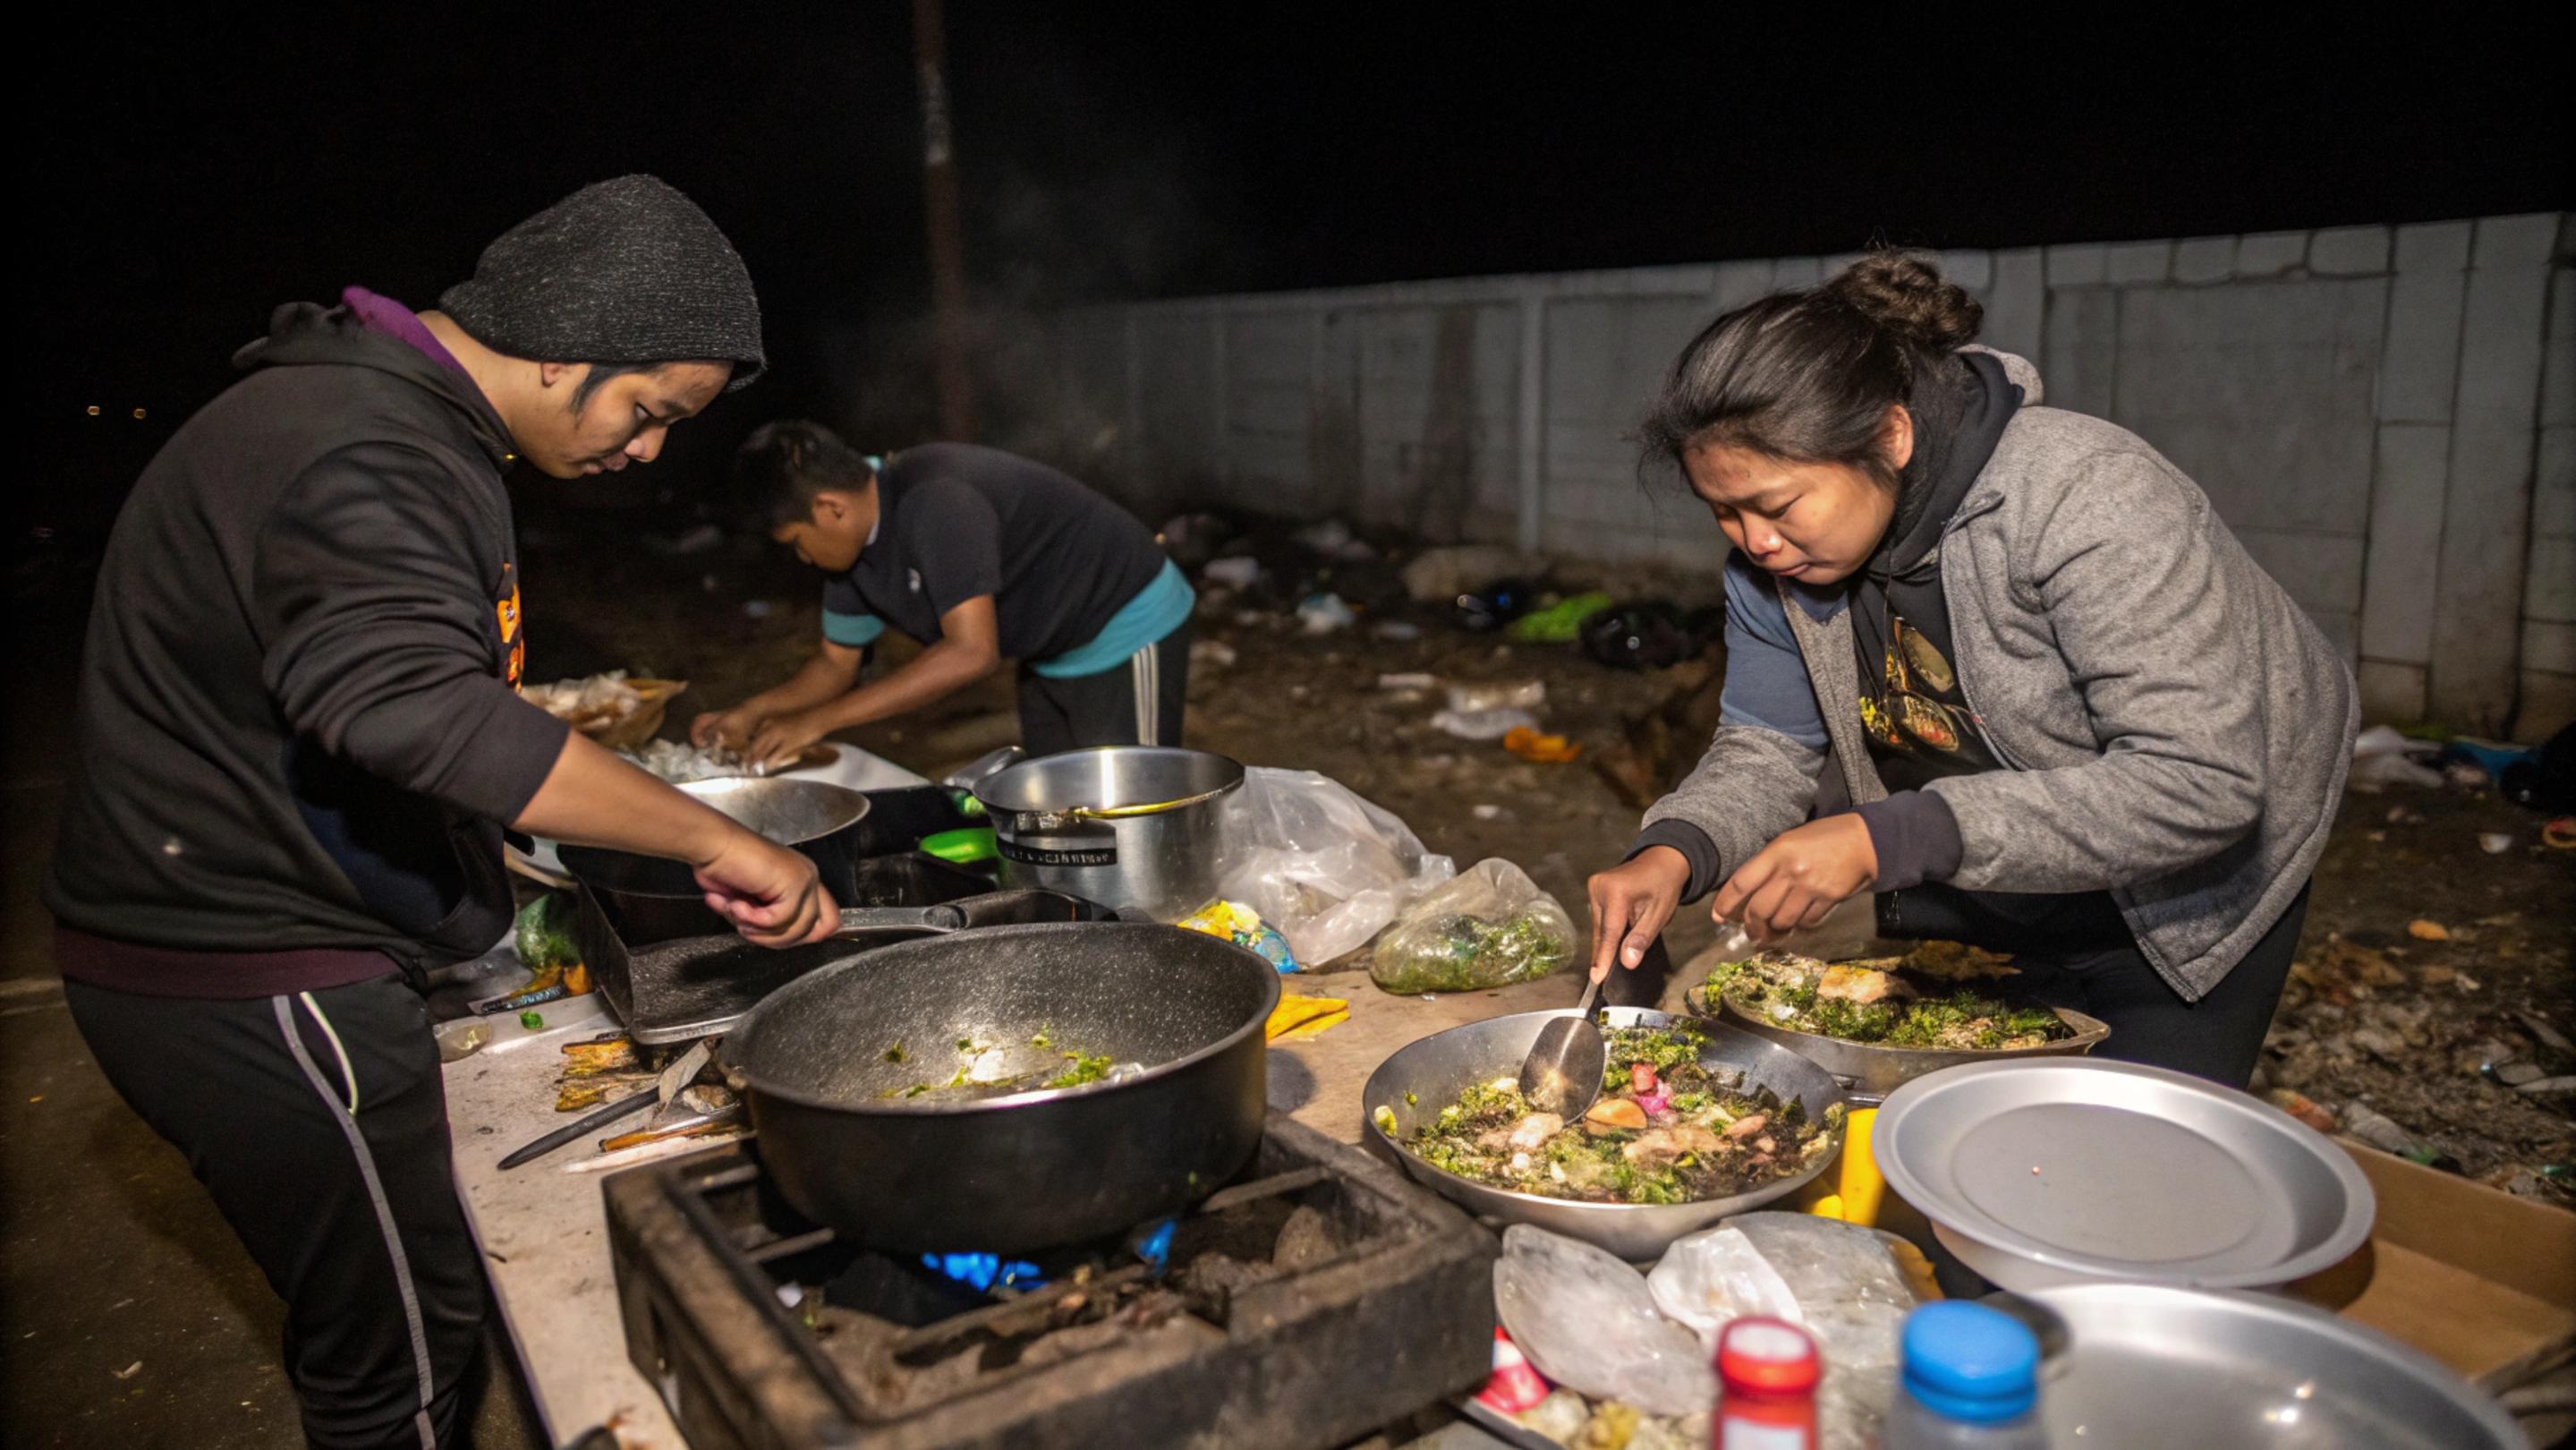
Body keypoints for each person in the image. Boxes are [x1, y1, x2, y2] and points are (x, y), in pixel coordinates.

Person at [45, 175, 839, 1450]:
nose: (648, 450)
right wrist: (712, 834)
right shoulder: (367, 444)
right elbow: (401, 702)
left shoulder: (370, 417)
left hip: (243, 946)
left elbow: (367, 714)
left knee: (413, 1312)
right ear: (571, 338)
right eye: (649, 409)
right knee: (403, 1352)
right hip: (251, 971)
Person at [1585, 253, 2355, 1088]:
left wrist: (1887, 837)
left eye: (1776, 506)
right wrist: (1675, 848)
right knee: (1980, 1126)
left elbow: (2199, 781)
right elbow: (1766, 746)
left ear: (1889, 435)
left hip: (2185, 886)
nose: (1753, 541)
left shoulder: (2085, 498)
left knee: (2131, 1156)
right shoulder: (1775, 573)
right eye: (1724, 512)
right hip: (1989, 852)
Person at [695, 420, 1194, 763]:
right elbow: (835, 665)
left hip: (1126, 624)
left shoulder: (937, 503)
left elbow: (971, 653)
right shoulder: (851, 553)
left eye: (798, 544)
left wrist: (817, 721)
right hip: (1049, 646)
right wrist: (752, 713)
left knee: (1138, 813)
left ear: (829, 508)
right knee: (1062, 813)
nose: (802, 559)